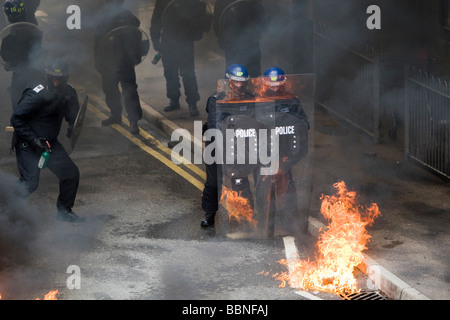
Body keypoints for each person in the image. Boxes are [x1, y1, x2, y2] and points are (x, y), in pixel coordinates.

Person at [10, 60, 85, 222]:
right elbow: (16, 118)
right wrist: (34, 139)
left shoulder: (69, 92)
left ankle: (64, 213)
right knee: (29, 183)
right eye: (53, 79)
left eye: (60, 79)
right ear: (47, 76)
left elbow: (73, 116)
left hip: (49, 144)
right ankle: (5, 206)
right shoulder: (36, 94)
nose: (56, 83)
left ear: (66, 78)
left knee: (70, 174)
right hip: (28, 144)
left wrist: (73, 126)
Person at [254, 67, 309, 234]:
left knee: (286, 183)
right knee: (262, 184)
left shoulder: (291, 100)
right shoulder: (257, 100)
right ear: (264, 83)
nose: (275, 88)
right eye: (271, 84)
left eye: (278, 84)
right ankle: (264, 216)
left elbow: (303, 122)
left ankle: (287, 217)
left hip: (283, 150)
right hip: (264, 150)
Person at [201, 64, 255, 228]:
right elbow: (214, 124)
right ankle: (210, 214)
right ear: (228, 81)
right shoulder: (216, 99)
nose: (239, 85)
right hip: (216, 144)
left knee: (240, 178)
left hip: (240, 143)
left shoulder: (250, 98)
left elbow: (257, 122)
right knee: (213, 181)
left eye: (242, 82)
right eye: (235, 82)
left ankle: (246, 213)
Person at [150, 0, 210, 117]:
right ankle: (174, 100)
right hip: (168, 40)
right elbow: (156, 20)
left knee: (188, 73)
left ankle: (192, 103)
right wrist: (155, 40)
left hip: (185, 40)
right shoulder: (162, 2)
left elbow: (200, 13)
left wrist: (197, 32)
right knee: (170, 73)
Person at [94, 0, 143, 134]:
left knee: (130, 92)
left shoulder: (125, 15)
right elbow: (98, 40)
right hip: (109, 62)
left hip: (124, 61)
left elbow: (136, 27)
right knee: (110, 90)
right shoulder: (104, 16)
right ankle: (116, 115)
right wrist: (98, 60)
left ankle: (133, 121)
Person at [1, 0, 45, 109]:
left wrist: (9, 64)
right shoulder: (35, 31)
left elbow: (6, 55)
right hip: (32, 70)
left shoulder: (9, 38)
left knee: (17, 96)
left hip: (22, 70)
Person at [213, 0, 267, 77]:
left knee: (249, 75)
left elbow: (262, 21)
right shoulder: (223, 3)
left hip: (248, 44)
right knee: (236, 74)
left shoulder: (252, 3)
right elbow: (217, 24)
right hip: (234, 45)